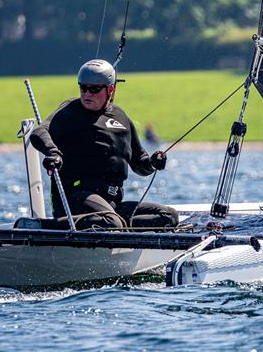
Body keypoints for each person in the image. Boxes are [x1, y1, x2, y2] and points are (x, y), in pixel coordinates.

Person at [29, 59, 178, 230]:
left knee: (169, 216)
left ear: (111, 90)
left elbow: (140, 164)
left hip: (112, 204)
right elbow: (39, 132)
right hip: (76, 198)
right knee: (112, 222)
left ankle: (118, 228)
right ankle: (43, 226)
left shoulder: (121, 118)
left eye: (94, 89)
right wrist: (52, 152)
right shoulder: (70, 111)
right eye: (83, 88)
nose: (87, 94)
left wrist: (154, 163)